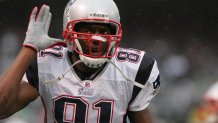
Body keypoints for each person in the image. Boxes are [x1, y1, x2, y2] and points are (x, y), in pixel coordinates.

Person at [0, 0, 161, 122]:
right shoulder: (47, 63)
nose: (97, 38)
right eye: (88, 30)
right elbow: (2, 108)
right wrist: (29, 49)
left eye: (104, 31)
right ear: (70, 32)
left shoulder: (132, 69)